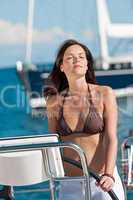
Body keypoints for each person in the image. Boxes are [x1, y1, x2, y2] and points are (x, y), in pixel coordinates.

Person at [45, 39, 125, 199]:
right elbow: (52, 143)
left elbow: (110, 137)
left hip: (102, 181)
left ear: (87, 64)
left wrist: (109, 174)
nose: (77, 60)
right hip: (70, 185)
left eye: (81, 56)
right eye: (70, 57)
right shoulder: (53, 102)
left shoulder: (105, 93)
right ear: (61, 66)